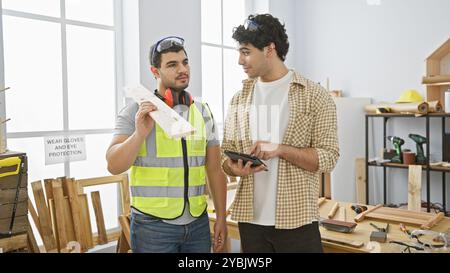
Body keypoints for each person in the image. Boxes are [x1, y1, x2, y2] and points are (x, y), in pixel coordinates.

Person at [221, 14, 339, 253]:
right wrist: (233, 168)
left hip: (297, 223)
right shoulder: (239, 99)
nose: (239, 60)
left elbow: (329, 157)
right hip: (250, 221)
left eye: (245, 52)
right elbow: (225, 154)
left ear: (269, 49)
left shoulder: (314, 95)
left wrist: (281, 149)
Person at [106, 36, 227, 253]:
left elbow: (215, 169)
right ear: (155, 71)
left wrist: (220, 218)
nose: (182, 69)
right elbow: (114, 165)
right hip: (153, 227)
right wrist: (139, 134)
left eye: (185, 62)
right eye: (172, 64)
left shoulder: (202, 112)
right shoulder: (135, 111)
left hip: (198, 223)